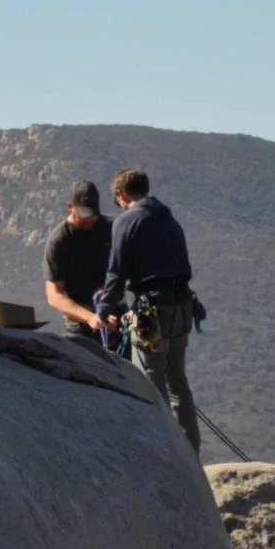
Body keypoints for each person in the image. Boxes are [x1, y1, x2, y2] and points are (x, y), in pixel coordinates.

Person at [100, 167, 201, 453]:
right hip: (182, 306)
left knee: (150, 383)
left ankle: (160, 452)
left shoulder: (127, 221)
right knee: (177, 382)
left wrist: (103, 309)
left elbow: (116, 272)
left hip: (152, 311)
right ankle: (190, 452)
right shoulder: (169, 219)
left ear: (120, 194)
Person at [42, 180, 120, 344]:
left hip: (115, 315)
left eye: (93, 214)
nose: (90, 220)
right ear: (70, 207)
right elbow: (54, 295)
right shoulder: (59, 241)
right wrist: (91, 317)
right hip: (80, 322)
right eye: (84, 215)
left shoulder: (111, 228)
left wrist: (110, 290)